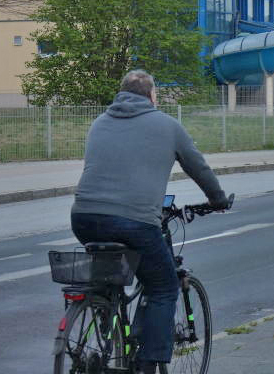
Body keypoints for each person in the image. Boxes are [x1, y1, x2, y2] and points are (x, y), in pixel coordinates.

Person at [71, 69, 230, 374]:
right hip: (134, 222)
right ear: (152, 95)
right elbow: (199, 167)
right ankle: (146, 365)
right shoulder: (168, 126)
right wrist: (218, 200)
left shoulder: (99, 122)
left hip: (84, 217)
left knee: (111, 279)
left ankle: (105, 318)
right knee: (164, 286)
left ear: (121, 93)